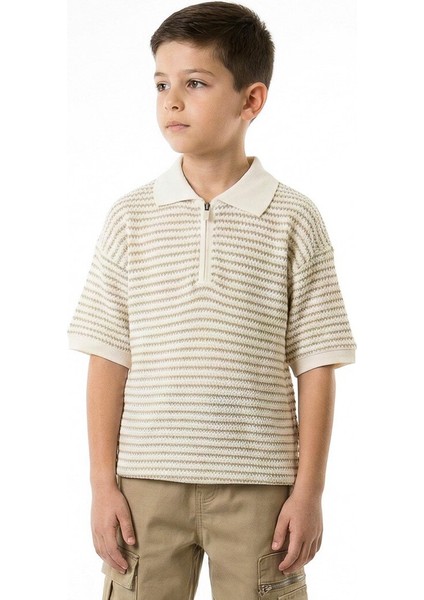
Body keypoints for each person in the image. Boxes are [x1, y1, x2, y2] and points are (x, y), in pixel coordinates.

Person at [68, 2, 356, 598]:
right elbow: (107, 357)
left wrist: (309, 492)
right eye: (161, 85)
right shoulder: (130, 217)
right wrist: (101, 485)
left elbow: (317, 365)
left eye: (195, 83)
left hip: (259, 490)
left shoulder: (294, 219)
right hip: (144, 485)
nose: (172, 101)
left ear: (251, 100)